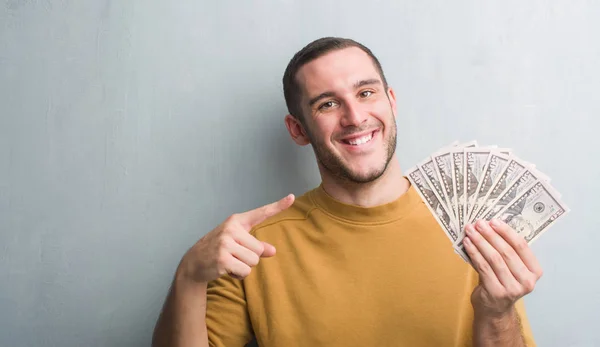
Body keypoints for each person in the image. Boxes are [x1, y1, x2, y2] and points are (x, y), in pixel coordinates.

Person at [152, 37, 541, 347]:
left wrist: (496, 313)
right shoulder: (254, 245)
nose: (355, 118)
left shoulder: (475, 227)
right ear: (298, 130)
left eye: (366, 93)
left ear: (391, 101)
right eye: (328, 104)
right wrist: (189, 275)